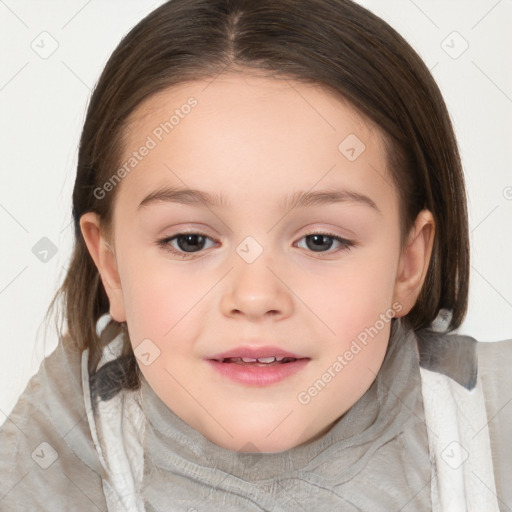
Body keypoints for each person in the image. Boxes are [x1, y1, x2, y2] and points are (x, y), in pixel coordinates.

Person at [1, 0, 510, 510]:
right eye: (190, 241)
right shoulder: (49, 457)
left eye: (320, 241)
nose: (255, 296)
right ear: (111, 267)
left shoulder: (493, 425)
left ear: (407, 264)